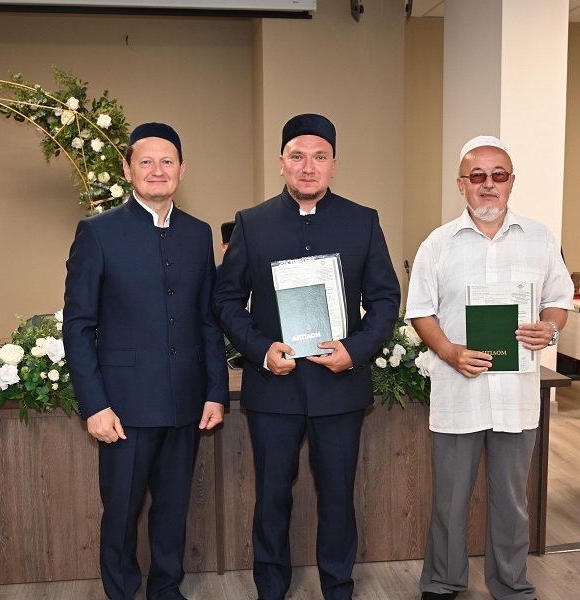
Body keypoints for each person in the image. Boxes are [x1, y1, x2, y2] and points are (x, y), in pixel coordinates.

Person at [213, 113, 400, 600]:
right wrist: (260, 350)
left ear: (334, 165)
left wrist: (354, 351)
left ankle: (338, 587)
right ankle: (270, 588)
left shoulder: (363, 221)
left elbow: (385, 300)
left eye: (320, 157)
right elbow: (226, 300)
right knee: (271, 498)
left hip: (339, 388)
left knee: (338, 499)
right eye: (298, 156)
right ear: (282, 163)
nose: (308, 167)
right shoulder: (252, 223)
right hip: (274, 387)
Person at [62, 122, 229, 600]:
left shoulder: (198, 233)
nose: (158, 170)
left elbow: (206, 319)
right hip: (123, 407)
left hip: (185, 403)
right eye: (146, 161)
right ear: (127, 168)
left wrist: (215, 390)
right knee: (121, 514)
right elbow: (78, 325)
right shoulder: (97, 232)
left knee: (173, 512)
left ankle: (166, 591)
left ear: (182, 169)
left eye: (167, 161)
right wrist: (95, 404)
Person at [405, 135, 574, 600]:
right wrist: (449, 351)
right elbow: (420, 311)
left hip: (516, 395)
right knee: (450, 499)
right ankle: (443, 581)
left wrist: (549, 327)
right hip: (459, 390)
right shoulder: (438, 244)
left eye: (498, 175)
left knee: (513, 502)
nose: (488, 184)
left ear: (511, 182)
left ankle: (512, 584)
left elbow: (560, 299)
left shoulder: (540, 238)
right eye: (477, 175)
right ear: (461, 184)